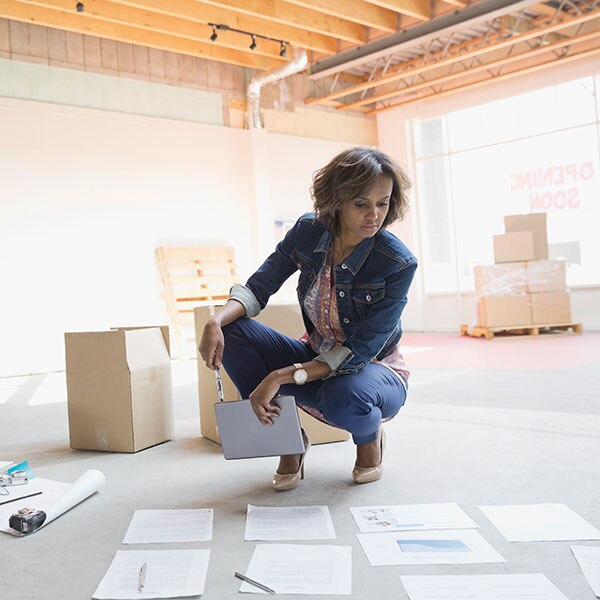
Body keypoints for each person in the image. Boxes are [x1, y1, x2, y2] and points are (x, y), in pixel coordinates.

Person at [199, 146, 417, 491]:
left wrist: (280, 376)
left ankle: (368, 439)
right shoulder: (308, 231)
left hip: (372, 371)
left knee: (344, 396)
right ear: (337, 200)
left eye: (383, 202)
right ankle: (288, 442)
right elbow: (260, 286)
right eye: (361, 203)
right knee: (234, 329)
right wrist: (215, 321)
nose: (374, 215)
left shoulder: (397, 262)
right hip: (315, 358)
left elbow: (359, 350)